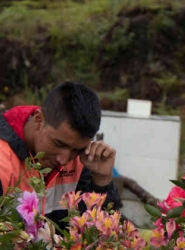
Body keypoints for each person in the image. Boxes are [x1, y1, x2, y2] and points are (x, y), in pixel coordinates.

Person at [0, 81, 120, 228]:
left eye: (76, 150)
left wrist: (102, 181)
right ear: (38, 119)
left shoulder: (83, 159)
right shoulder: (3, 158)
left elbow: (98, 234)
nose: (64, 160)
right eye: (59, 144)